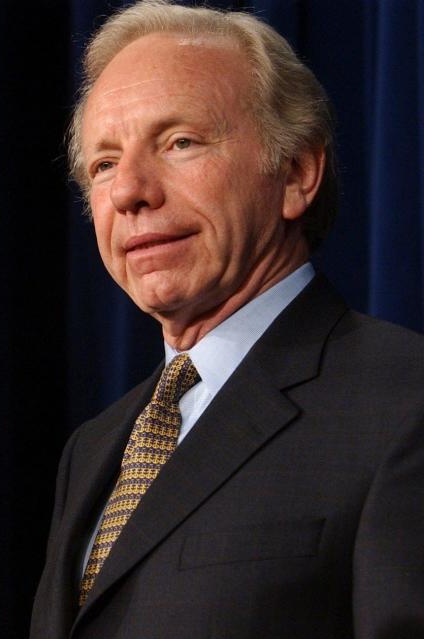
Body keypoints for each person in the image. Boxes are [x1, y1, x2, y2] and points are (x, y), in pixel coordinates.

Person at [30, 2, 424, 637]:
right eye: (104, 164)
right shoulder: (95, 447)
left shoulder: (404, 404)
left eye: (179, 143)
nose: (129, 191)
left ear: (296, 173)